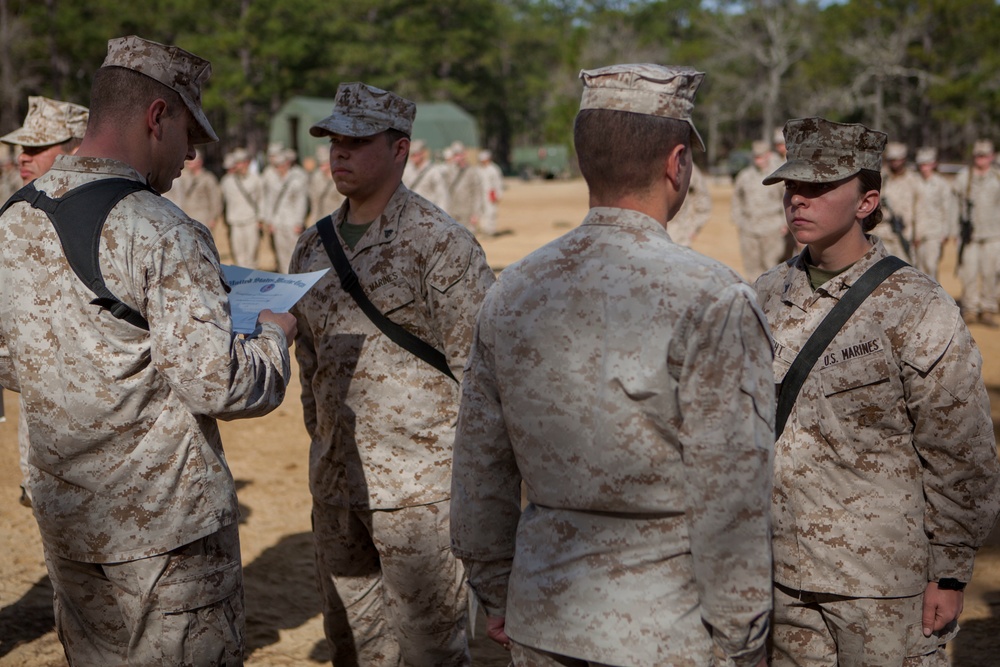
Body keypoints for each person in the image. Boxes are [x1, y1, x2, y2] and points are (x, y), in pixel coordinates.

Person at [451, 63, 775, 667]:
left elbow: (479, 466)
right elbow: (731, 486)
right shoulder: (713, 296)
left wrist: (497, 591)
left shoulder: (513, 288)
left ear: (582, 161)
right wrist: (742, 636)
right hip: (672, 629)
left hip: (545, 612)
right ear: (677, 163)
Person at [0, 35, 297, 665]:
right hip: (166, 530)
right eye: (189, 131)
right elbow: (220, 385)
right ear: (155, 116)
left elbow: (9, 359)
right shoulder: (162, 229)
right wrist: (274, 334)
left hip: (69, 517)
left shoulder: (15, 216)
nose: (192, 154)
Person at [756, 117, 1000, 666]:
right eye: (793, 187)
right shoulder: (765, 295)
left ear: (867, 201)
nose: (799, 200)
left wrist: (951, 571)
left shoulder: (916, 304)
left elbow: (960, 450)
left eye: (819, 188)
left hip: (882, 584)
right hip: (782, 576)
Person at [288, 81, 495, 667]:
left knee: (431, 653)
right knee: (351, 648)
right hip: (336, 487)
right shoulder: (310, 247)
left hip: (420, 499)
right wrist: (323, 445)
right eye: (333, 140)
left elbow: (482, 376)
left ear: (400, 149)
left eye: (357, 140)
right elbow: (310, 367)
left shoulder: (441, 245)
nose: (340, 153)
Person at [1, 95, 89, 506]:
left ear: (75, 147)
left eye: (38, 147)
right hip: (39, 399)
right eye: (23, 147)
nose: (24, 155)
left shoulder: (115, 213)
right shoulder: (20, 211)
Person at [952, 139, 1000, 327]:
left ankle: (988, 309)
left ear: (991, 157)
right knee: (969, 273)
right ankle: (971, 309)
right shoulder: (964, 177)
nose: (981, 159)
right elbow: (953, 204)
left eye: (985, 156)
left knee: (991, 274)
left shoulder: (997, 177)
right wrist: (953, 230)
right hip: (969, 237)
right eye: (978, 156)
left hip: (993, 235)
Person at [732, 139, 788, 278]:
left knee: (772, 267)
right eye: (755, 157)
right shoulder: (745, 176)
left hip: (772, 228)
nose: (758, 160)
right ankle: (755, 297)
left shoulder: (777, 175)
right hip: (749, 229)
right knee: (752, 269)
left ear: (768, 155)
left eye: (761, 157)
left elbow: (786, 198)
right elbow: (736, 198)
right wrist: (738, 220)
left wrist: (785, 222)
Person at [911, 146, 956, 280]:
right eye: (921, 164)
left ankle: (934, 297)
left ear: (933, 164)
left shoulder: (942, 184)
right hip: (916, 232)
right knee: (916, 267)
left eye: (927, 164)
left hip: (934, 231)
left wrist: (946, 232)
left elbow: (948, 209)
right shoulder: (914, 181)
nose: (924, 168)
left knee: (931, 266)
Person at [262, 146, 308, 272]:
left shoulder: (297, 178)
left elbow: (301, 202)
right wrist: (270, 220)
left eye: (280, 165)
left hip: (292, 222)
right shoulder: (273, 178)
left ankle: (295, 278)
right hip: (278, 222)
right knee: (281, 254)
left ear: (287, 164)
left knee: (295, 253)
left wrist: (299, 222)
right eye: (276, 165)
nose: (278, 168)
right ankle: (285, 278)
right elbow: (269, 201)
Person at [221, 147, 263, 268]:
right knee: (239, 255)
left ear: (248, 163)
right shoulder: (227, 181)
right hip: (234, 221)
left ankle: (252, 283)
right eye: (237, 163)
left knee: (252, 255)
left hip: (251, 220)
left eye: (242, 162)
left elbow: (261, 200)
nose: (239, 165)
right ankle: (242, 284)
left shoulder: (256, 180)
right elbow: (223, 201)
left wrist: (260, 219)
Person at [877, 141, 919, 262]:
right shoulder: (881, 179)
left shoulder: (913, 180)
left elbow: (919, 208)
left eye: (898, 159)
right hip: (883, 234)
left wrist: (918, 234)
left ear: (904, 159)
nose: (895, 163)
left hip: (905, 235)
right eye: (892, 160)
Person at [666, 159, 710, 246]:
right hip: (648, 243)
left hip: (680, 241)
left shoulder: (688, 168)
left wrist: (692, 229)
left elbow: (704, 205)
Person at [446, 144, 487, 233]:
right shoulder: (449, 171)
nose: (458, 158)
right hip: (453, 212)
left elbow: (477, 194)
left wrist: (475, 214)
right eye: (455, 155)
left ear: (464, 154)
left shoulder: (472, 172)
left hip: (467, 213)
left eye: (460, 154)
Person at [402, 138, 450, 211]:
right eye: (412, 154)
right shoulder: (407, 170)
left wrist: (442, 214)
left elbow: (442, 195)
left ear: (423, 153)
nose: (414, 157)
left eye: (417, 154)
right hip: (411, 211)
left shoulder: (433, 171)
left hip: (428, 212)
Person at [307, 144, 345, 225]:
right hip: (320, 218)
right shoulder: (316, 177)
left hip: (337, 218)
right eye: (320, 164)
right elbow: (314, 201)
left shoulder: (340, 176)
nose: (323, 168)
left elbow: (344, 201)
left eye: (325, 164)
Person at [477, 149, 504, 237]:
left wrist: (498, 194)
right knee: (482, 212)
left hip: (490, 194)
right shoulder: (480, 170)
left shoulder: (494, 169)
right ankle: (484, 229)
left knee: (490, 212)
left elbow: (498, 183)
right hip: (481, 194)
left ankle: (491, 230)